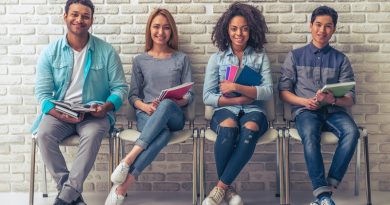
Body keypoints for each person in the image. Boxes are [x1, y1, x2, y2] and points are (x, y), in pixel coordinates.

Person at [32, 0, 128, 205]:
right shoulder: (50, 52)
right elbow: (42, 94)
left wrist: (107, 106)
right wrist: (58, 113)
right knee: (44, 134)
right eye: (75, 14)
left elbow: (120, 88)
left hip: (93, 115)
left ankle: (65, 197)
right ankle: (71, 194)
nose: (79, 20)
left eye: (85, 16)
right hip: (61, 113)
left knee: (93, 133)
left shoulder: (106, 51)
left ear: (91, 20)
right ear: (65, 16)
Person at [105, 8, 194, 205]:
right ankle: (123, 187)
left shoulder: (182, 59)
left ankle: (128, 159)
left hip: (174, 116)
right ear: (149, 30)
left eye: (166, 28)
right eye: (156, 27)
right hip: (147, 115)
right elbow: (133, 95)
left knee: (167, 104)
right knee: (162, 135)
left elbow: (190, 94)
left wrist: (176, 101)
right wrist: (145, 108)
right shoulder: (140, 60)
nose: (161, 32)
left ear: (171, 31)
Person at [278, 5, 359, 205]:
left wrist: (333, 100)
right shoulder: (295, 56)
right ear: (310, 26)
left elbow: (350, 98)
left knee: (352, 132)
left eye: (328, 26)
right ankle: (323, 196)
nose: (322, 30)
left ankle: (327, 190)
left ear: (334, 29)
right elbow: (283, 92)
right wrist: (304, 101)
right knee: (310, 135)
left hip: (334, 111)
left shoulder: (341, 60)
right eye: (318, 25)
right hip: (306, 111)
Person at [202, 2, 273, 205]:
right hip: (225, 109)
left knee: (250, 129)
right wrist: (240, 98)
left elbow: (267, 92)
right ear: (227, 30)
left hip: (254, 110)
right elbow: (207, 96)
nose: (239, 33)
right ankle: (230, 192)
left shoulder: (260, 57)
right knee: (228, 128)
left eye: (244, 28)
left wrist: (236, 87)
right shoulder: (217, 59)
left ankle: (220, 188)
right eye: (234, 28)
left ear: (251, 30)